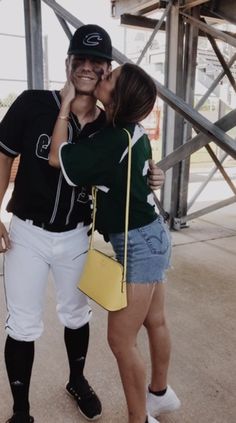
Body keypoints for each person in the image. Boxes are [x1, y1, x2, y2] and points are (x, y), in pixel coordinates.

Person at [0, 24, 165, 423]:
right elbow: (3, 158)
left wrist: (152, 176)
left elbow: (129, 163)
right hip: (27, 231)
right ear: (69, 62)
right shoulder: (31, 103)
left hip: (77, 236)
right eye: (81, 59)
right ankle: (21, 411)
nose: (89, 67)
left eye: (98, 62)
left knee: (76, 314)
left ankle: (77, 379)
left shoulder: (111, 124)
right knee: (22, 324)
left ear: (107, 70)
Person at [49, 62, 181, 423]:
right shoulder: (130, 131)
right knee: (155, 321)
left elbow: (55, 156)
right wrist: (155, 175)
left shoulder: (110, 141)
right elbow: (144, 170)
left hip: (139, 242)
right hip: (153, 235)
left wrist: (63, 107)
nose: (102, 76)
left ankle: (139, 418)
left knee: (121, 341)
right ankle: (159, 395)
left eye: (110, 78)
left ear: (119, 96)